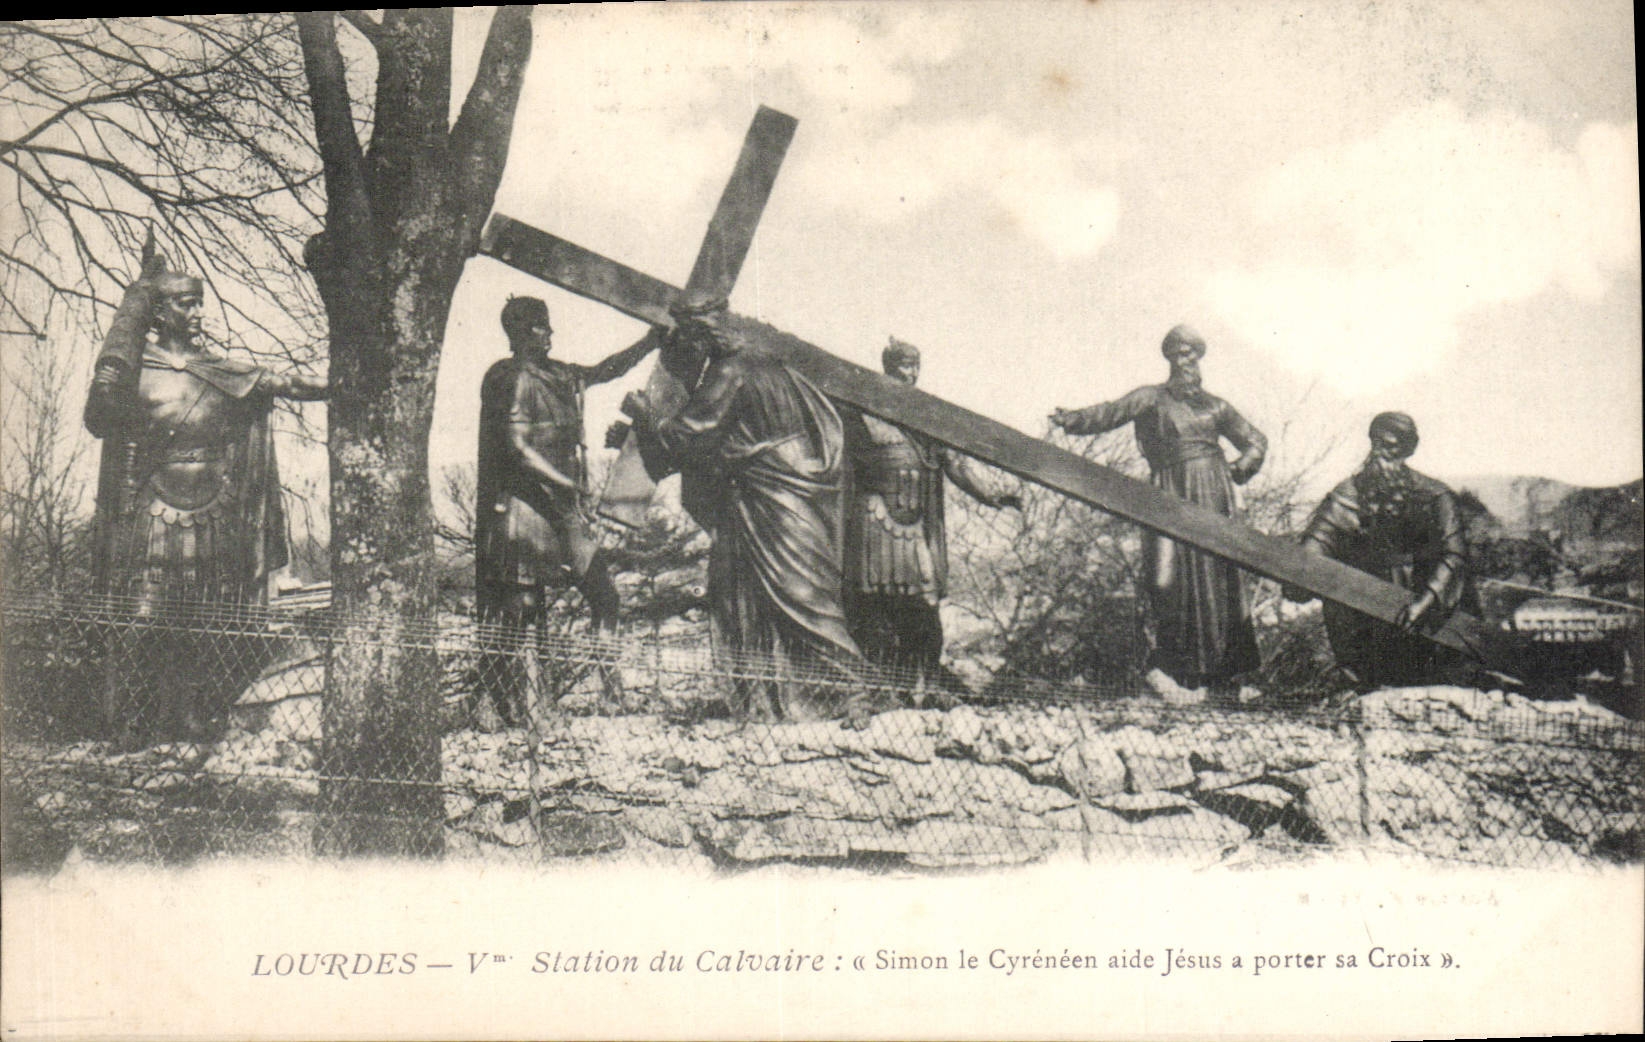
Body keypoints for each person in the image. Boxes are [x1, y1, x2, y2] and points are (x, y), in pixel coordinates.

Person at [84, 255, 326, 746]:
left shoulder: (221, 371)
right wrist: (128, 319)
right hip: (151, 510)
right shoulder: (133, 370)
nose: (197, 313)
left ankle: (189, 717)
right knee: (143, 615)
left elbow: (286, 382)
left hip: (213, 511)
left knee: (199, 620)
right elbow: (100, 415)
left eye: (199, 304)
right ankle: (128, 720)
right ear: (158, 312)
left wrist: (348, 382)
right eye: (185, 304)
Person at [615, 298, 879, 726]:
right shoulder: (771, 364)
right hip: (790, 489)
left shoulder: (730, 372)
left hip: (775, 496)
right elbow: (723, 446)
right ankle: (782, 699)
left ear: (703, 336)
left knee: (801, 594)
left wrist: (647, 417)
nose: (690, 354)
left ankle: (855, 694)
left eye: (690, 342)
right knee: (777, 594)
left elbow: (689, 437)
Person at [1050, 324, 1267, 698]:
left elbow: (1256, 440)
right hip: (1168, 494)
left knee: (1219, 579)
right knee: (1165, 579)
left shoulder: (1216, 406)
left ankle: (1224, 677)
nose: (1186, 360)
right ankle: (1176, 667)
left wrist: (1242, 466)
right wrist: (1073, 419)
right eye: (1179, 353)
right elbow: (1111, 412)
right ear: (1169, 357)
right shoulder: (1151, 398)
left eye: (1192, 353)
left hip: (1214, 495)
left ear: (1199, 358)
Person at [474, 296, 659, 725]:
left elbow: (606, 369)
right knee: (519, 611)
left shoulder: (561, 375)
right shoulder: (512, 378)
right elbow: (517, 448)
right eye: (541, 326)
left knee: (605, 596)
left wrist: (649, 342)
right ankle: (506, 708)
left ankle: (612, 696)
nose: (550, 333)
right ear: (521, 333)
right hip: (525, 512)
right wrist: (569, 483)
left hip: (563, 510)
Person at [843, 337, 1020, 697]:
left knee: (923, 608)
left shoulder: (925, 417)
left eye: (915, 366)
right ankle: (878, 689)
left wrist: (991, 494)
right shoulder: (859, 411)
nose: (911, 374)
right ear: (888, 367)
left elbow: (956, 464)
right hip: (874, 520)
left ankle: (923, 685)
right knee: (873, 606)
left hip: (915, 527)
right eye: (904, 365)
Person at [1286, 411, 1475, 689]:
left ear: (1407, 450)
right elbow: (1317, 542)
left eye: (1390, 447)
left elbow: (1454, 555)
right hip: (1361, 613)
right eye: (1376, 444)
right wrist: (1302, 571)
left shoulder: (1436, 496)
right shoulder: (1347, 494)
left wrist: (1427, 601)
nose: (1379, 454)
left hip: (1418, 602)